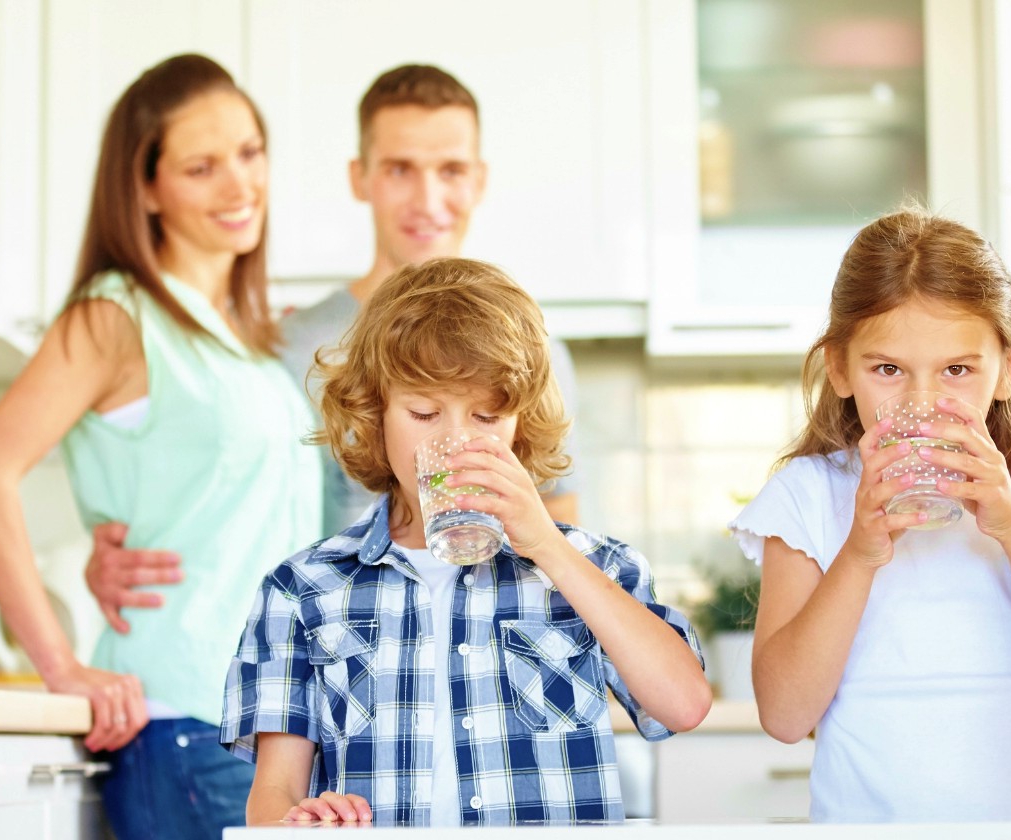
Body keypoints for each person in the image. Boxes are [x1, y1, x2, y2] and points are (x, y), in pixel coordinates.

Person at [0, 54, 321, 839]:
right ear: (145, 188)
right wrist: (61, 663)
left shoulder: (239, 338)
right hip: (186, 727)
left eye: (250, 153)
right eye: (201, 166)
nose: (239, 185)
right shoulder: (114, 315)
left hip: (264, 731)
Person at [82, 66, 585, 622]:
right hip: (330, 660)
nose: (427, 198)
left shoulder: (533, 350)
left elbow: (557, 536)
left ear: (480, 180)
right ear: (359, 177)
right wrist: (108, 556)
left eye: (451, 169)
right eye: (399, 169)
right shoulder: (285, 346)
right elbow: (223, 501)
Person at [221, 258, 711, 826]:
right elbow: (272, 794)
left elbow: (684, 705)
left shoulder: (593, 568)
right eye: (424, 412)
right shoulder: (303, 590)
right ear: (374, 411)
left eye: (485, 416)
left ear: (520, 426)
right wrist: (301, 821)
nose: (455, 443)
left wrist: (549, 546)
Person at [728, 206, 1011, 822]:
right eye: (888, 369)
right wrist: (860, 553)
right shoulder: (808, 498)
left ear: (1007, 370)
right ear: (838, 367)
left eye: (958, 370)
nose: (922, 402)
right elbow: (783, 716)